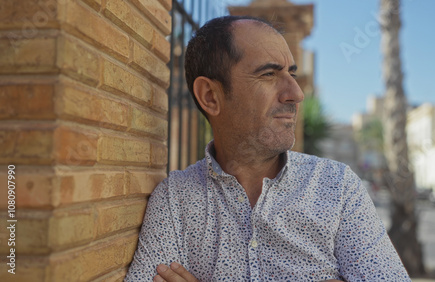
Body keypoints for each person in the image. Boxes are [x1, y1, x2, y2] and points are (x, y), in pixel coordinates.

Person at [125, 15, 410, 282]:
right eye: (269, 75)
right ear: (211, 96)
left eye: (292, 74)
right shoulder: (174, 200)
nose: (296, 94)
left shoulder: (337, 188)